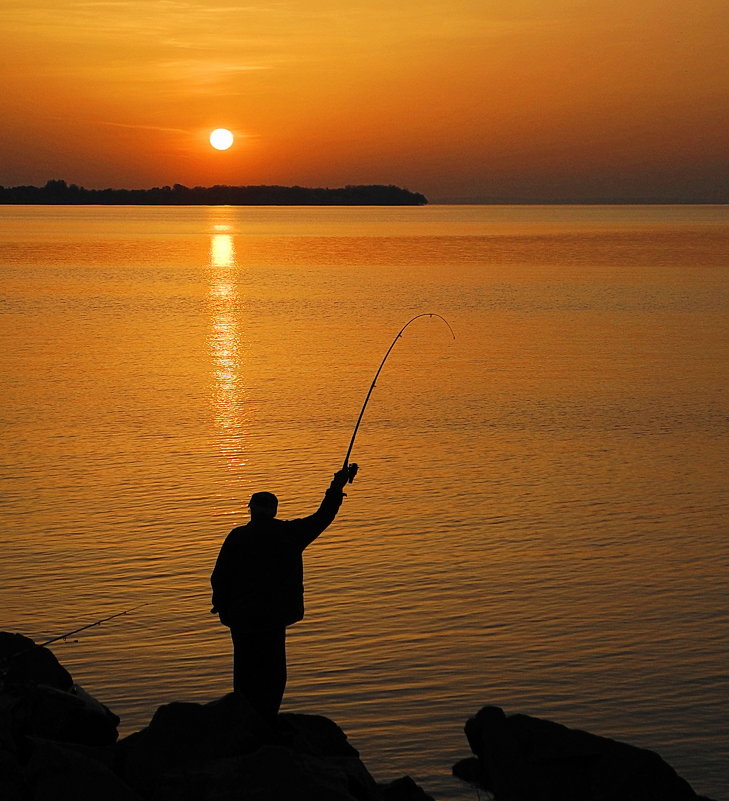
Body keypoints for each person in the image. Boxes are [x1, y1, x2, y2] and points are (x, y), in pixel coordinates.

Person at [210, 463, 358, 723]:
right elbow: (323, 516)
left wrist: (221, 607)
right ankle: (268, 719)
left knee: (244, 670)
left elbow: (219, 576)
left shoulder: (238, 536)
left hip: (242, 616)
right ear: (274, 511)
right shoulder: (290, 534)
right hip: (274, 616)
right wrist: (336, 487)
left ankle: (245, 720)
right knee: (273, 671)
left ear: (252, 511)